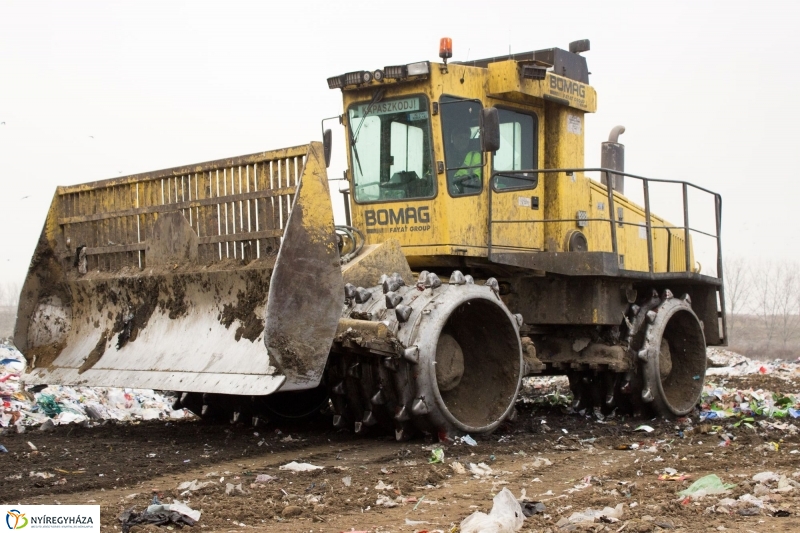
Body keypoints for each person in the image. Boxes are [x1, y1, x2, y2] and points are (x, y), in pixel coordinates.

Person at [449, 127, 482, 194]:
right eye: (460, 137)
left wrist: (470, 179)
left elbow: (479, 176)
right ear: (453, 138)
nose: (463, 141)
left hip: (469, 192)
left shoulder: (475, 156)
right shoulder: (443, 155)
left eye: (466, 138)